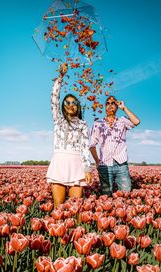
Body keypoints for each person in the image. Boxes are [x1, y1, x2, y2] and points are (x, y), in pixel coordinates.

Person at [46, 63, 92, 208]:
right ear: (63, 106)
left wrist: (87, 168)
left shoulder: (83, 124)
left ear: (78, 106)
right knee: (58, 205)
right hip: (59, 161)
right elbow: (54, 98)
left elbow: (85, 147)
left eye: (74, 102)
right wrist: (60, 77)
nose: (71, 104)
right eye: (67, 102)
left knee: (76, 207)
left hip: (76, 163)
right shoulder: (58, 120)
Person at [89, 95, 140, 195]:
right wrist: (97, 161)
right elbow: (92, 145)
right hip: (104, 164)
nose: (110, 105)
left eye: (113, 103)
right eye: (107, 103)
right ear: (105, 107)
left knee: (126, 194)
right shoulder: (98, 123)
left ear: (116, 107)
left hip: (121, 163)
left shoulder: (122, 121)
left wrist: (124, 108)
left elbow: (136, 122)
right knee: (106, 196)